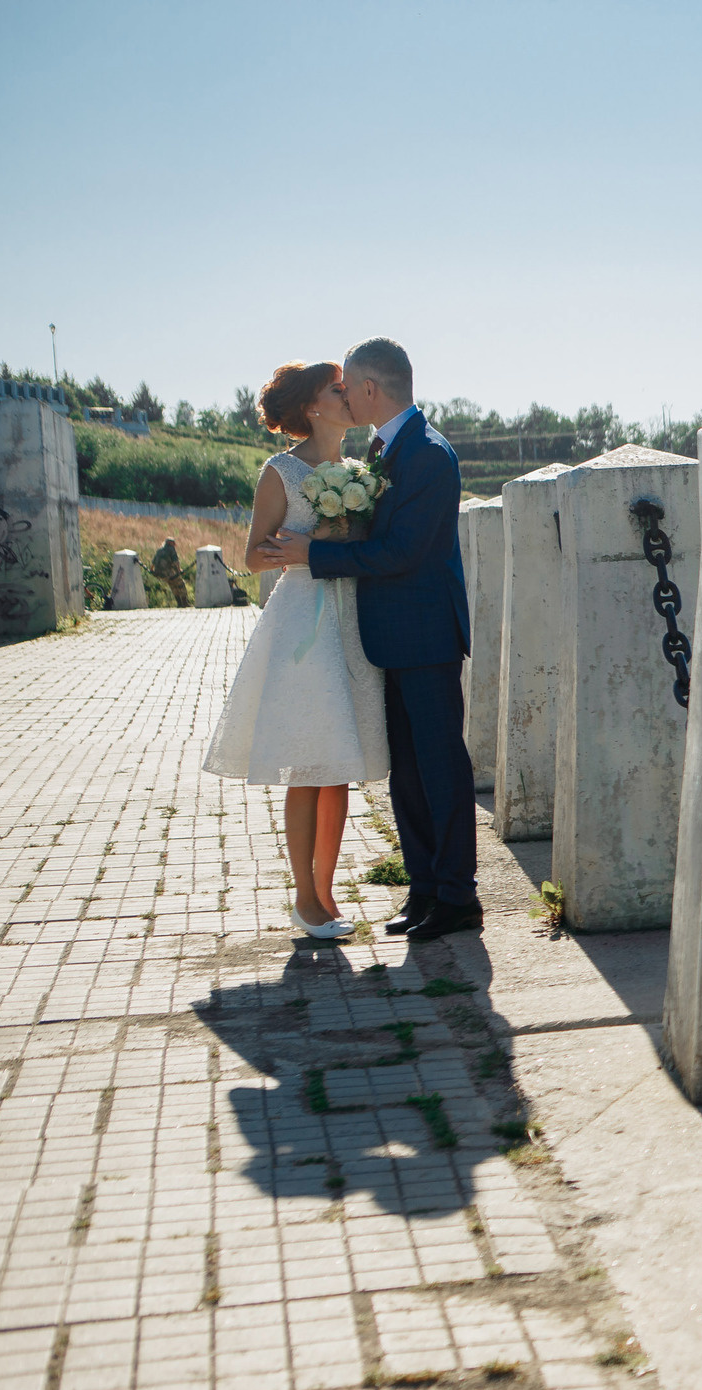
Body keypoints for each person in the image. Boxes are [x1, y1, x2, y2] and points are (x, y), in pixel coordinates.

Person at [255, 338, 479, 941]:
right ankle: (425, 890)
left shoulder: (428, 454)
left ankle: (459, 897)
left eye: (349, 386)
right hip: (386, 638)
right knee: (406, 773)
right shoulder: (387, 449)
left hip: (425, 636)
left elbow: (405, 551)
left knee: (439, 768)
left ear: (371, 390)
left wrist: (318, 553)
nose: (347, 396)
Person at [200, 361, 389, 938]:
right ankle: (304, 900)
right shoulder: (280, 471)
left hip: (352, 619)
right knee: (308, 767)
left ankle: (327, 895)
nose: (348, 394)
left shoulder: (360, 471)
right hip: (303, 626)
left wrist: (342, 537)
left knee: (338, 771)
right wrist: (312, 544)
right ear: (312, 407)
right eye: (338, 389)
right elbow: (255, 555)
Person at [148, 536, 189, 607]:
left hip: (161, 574)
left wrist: (152, 570)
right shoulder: (171, 549)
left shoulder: (159, 550)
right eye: (173, 543)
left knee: (173, 586)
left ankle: (179, 603)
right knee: (181, 585)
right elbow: (176, 562)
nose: (174, 545)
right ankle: (184, 603)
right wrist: (179, 570)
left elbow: (153, 562)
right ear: (170, 543)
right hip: (171, 573)